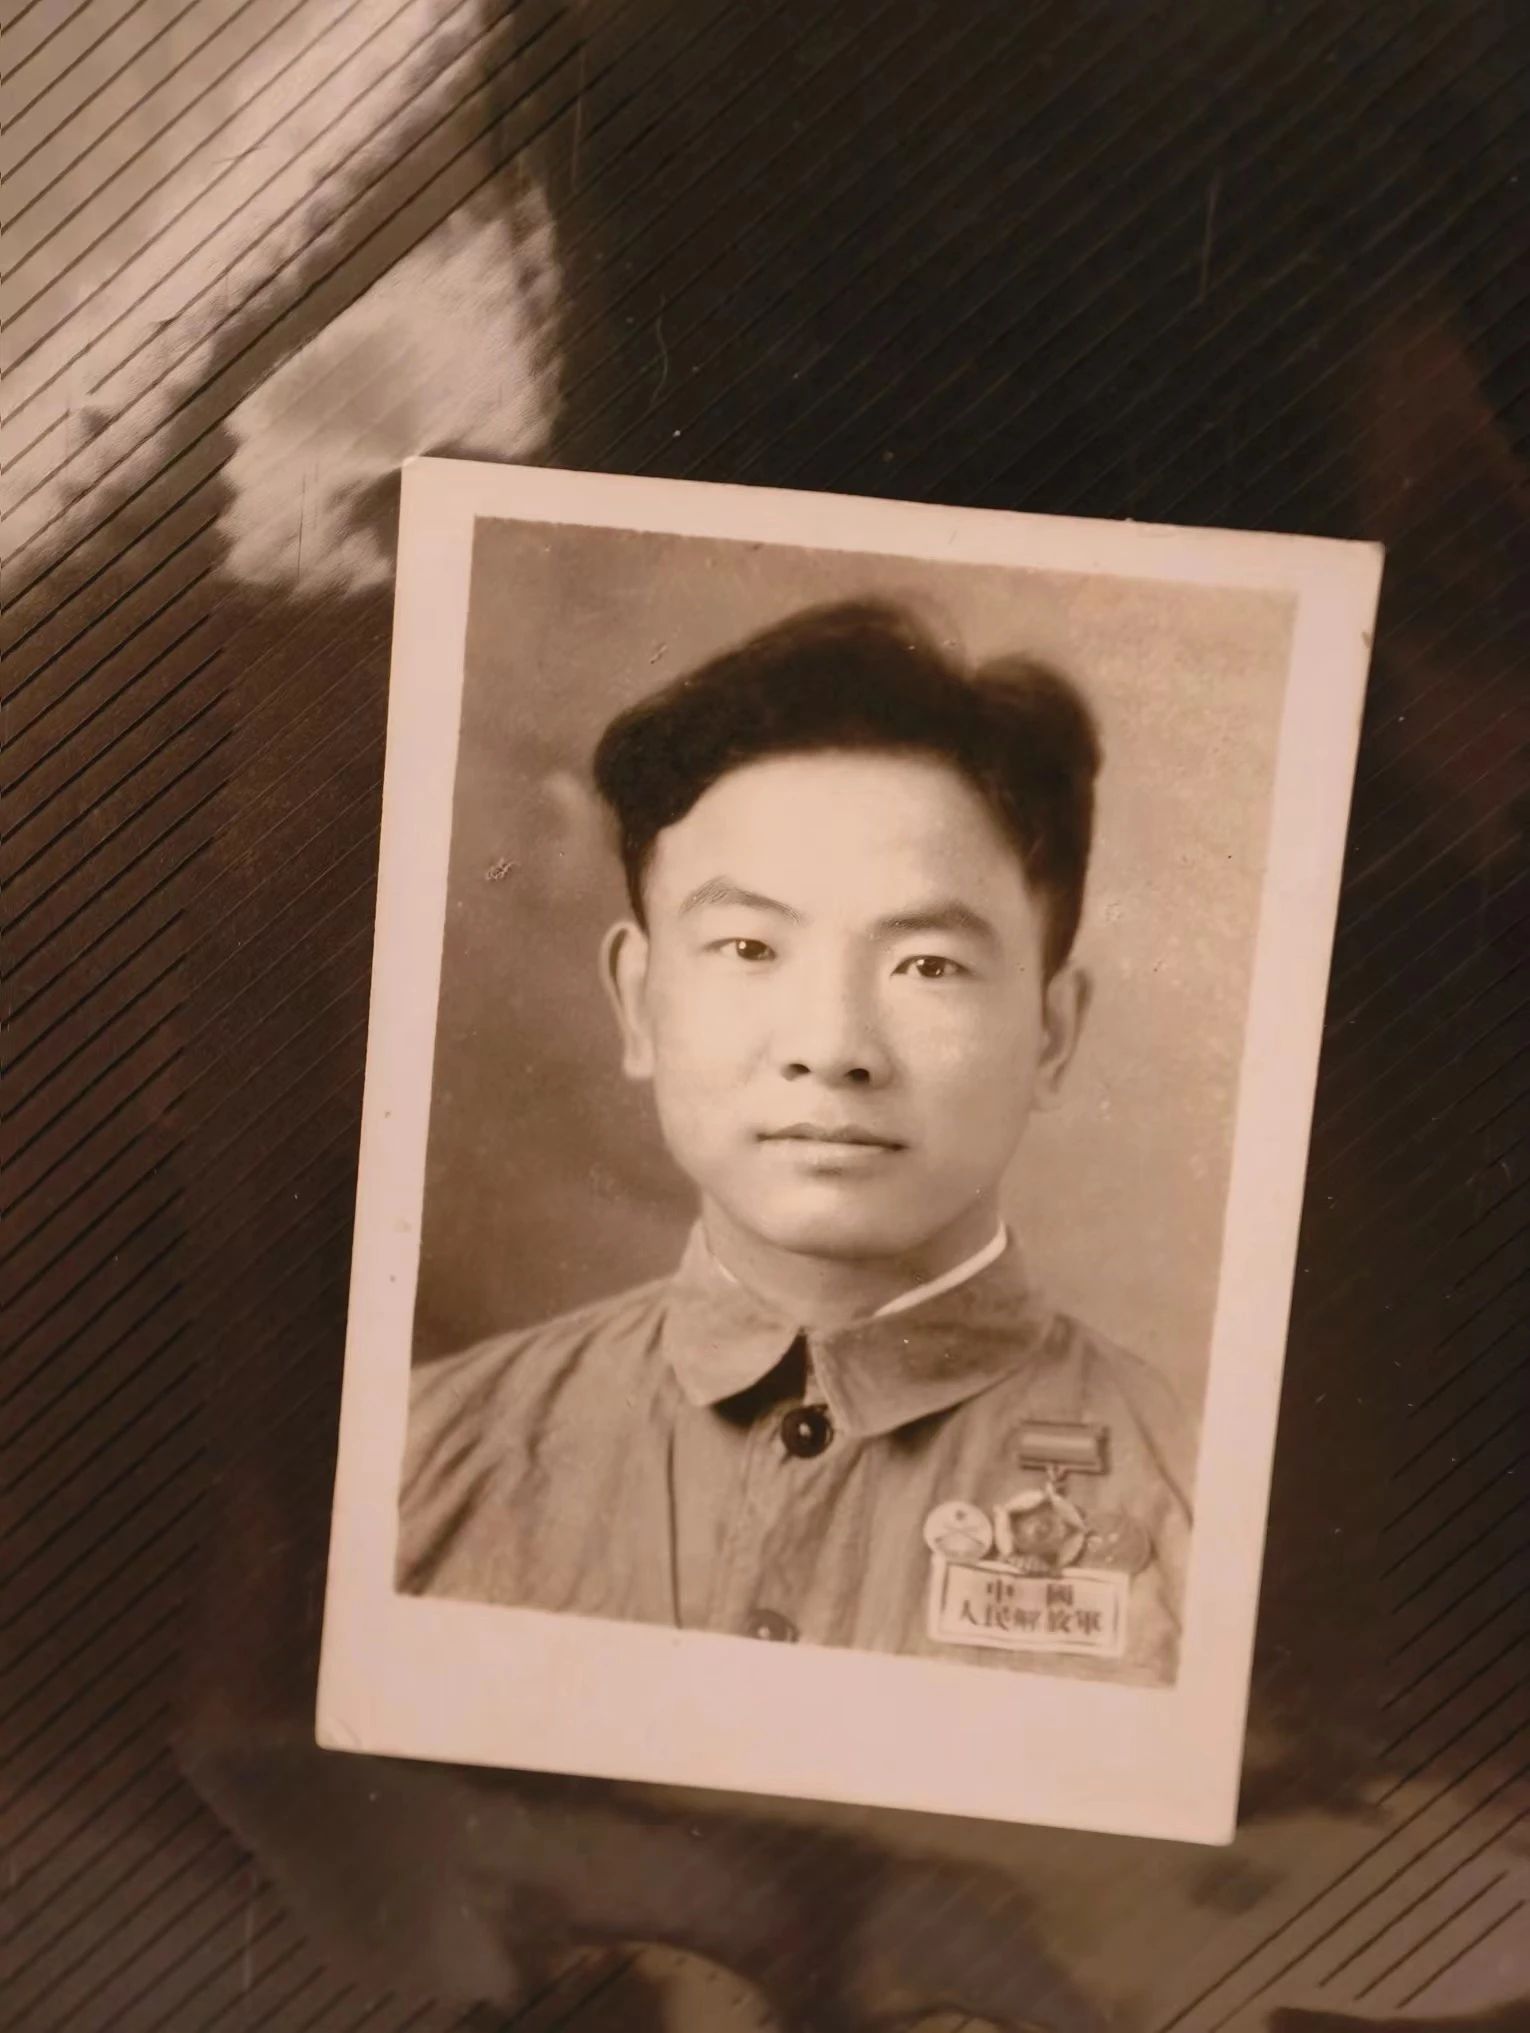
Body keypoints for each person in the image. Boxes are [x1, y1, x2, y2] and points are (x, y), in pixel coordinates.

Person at [397, 600, 1194, 1683]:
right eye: (748, 946)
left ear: (1051, 1031)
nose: (832, 1048)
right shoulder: (420, 1459)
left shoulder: (1203, 1504)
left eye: (928, 965)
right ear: (638, 1002)